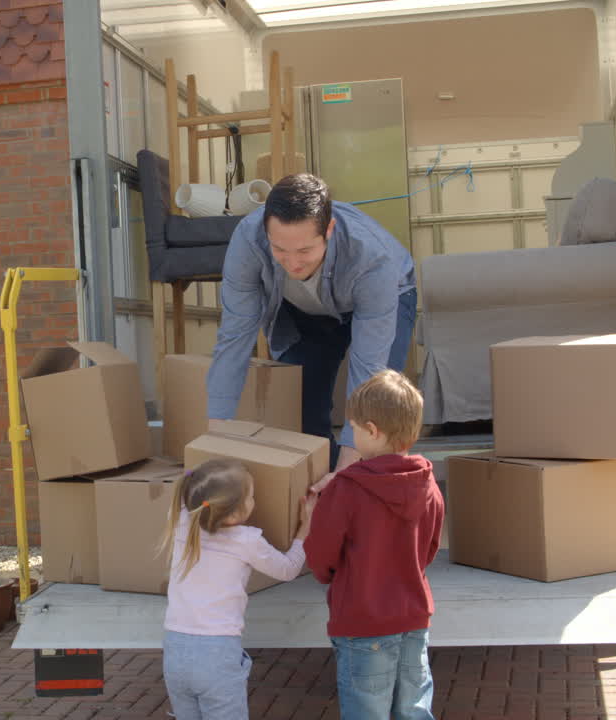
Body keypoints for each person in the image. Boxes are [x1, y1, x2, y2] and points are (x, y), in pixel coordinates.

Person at [205, 173, 417, 477]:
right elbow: (234, 337)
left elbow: (368, 369)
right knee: (301, 408)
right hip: (306, 309)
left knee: (378, 420)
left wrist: (347, 472)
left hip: (388, 296)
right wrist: (215, 442)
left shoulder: (372, 258)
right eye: (280, 250)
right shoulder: (247, 240)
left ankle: (360, 486)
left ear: (328, 230)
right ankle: (322, 488)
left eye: (304, 251)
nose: (292, 263)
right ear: (266, 233)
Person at [304, 369, 444, 720]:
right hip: (414, 619)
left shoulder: (346, 488)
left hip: (362, 621)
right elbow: (428, 549)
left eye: (351, 427)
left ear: (372, 430)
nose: (348, 435)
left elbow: (321, 556)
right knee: (413, 709)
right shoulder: (429, 485)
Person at [160, 458, 311, 720]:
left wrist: (196, 478)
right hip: (216, 653)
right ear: (232, 514)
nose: (255, 501)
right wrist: (305, 529)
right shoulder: (246, 540)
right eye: (251, 497)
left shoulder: (181, 522)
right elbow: (288, 570)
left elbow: (192, 497)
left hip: (174, 648)